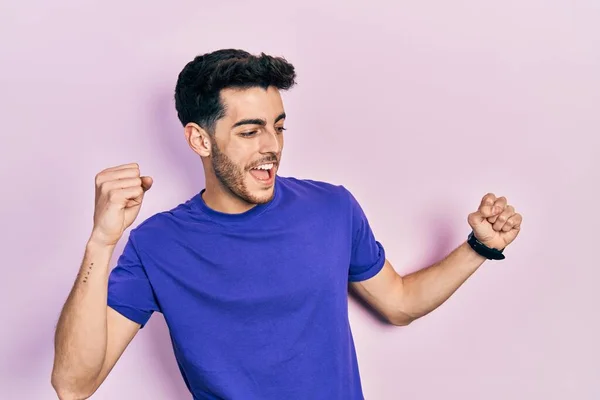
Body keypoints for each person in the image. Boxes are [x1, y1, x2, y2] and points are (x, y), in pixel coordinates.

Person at [51, 49, 523, 400]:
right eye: (249, 130)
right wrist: (101, 241)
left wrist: (478, 248)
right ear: (199, 139)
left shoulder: (332, 208)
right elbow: (74, 384)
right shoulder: (157, 244)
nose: (271, 146)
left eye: (278, 126)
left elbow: (398, 303)